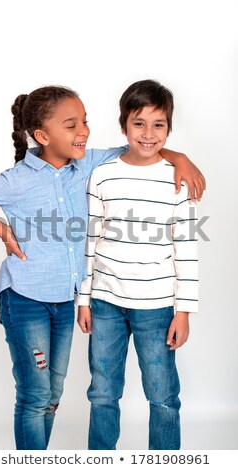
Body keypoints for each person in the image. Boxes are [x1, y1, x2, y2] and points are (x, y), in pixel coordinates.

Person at [0, 85, 204, 450]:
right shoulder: (17, 180)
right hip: (25, 296)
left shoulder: (89, 164)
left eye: (84, 121)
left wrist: (182, 157)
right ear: (42, 136)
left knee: (54, 393)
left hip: (66, 301)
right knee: (37, 394)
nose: (82, 131)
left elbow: (139, 146)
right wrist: (1, 230)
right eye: (71, 125)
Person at [77, 79, 199, 450]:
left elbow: (187, 248)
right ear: (123, 126)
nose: (148, 134)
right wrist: (84, 298)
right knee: (102, 392)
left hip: (158, 306)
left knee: (162, 395)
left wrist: (184, 311)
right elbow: (91, 239)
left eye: (158, 124)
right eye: (139, 123)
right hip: (105, 303)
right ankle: (101, 457)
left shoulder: (179, 179)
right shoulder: (103, 174)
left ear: (169, 128)